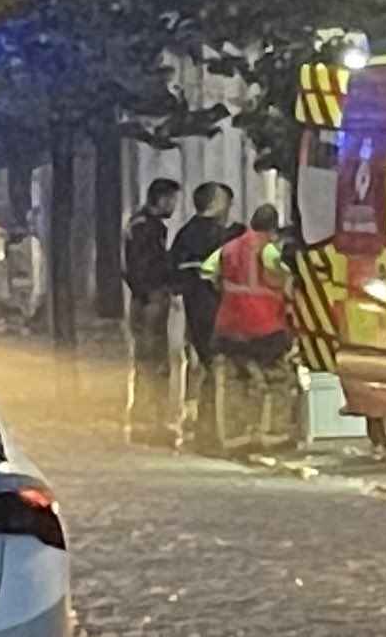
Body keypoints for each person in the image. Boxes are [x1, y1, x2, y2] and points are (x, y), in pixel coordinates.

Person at [197, 202, 300, 453]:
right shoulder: (267, 250)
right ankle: (273, 435)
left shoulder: (227, 248)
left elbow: (206, 271)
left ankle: (235, 439)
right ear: (272, 229)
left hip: (229, 326)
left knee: (233, 382)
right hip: (263, 327)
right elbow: (286, 274)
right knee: (277, 380)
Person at [167, 183, 240, 450]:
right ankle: (213, 429)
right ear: (216, 203)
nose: (230, 209)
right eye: (227, 203)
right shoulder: (212, 236)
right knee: (217, 368)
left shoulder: (186, 235)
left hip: (197, 312)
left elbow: (175, 275)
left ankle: (202, 426)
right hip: (213, 312)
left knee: (206, 368)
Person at [120, 177, 183, 443]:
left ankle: (144, 420)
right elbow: (147, 266)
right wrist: (162, 286)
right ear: (162, 199)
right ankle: (152, 422)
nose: (174, 206)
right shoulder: (150, 228)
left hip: (142, 298)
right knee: (154, 360)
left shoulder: (136, 223)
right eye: (172, 200)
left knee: (145, 360)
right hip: (151, 299)